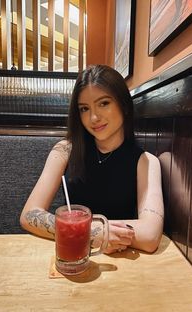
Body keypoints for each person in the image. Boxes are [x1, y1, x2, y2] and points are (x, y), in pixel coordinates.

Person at [20, 65, 164, 254]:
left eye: (104, 103)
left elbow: (150, 235)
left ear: (124, 105)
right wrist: (92, 232)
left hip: (122, 263)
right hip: (71, 253)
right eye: (84, 109)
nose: (93, 117)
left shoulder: (146, 161)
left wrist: (88, 229)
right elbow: (29, 214)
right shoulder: (64, 150)